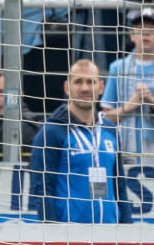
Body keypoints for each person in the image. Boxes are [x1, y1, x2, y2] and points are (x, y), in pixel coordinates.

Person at [29, 59, 132, 223]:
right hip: (70, 236)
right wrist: (51, 237)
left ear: (101, 87)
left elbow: (120, 186)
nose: (85, 88)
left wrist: (127, 227)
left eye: (91, 82)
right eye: (78, 82)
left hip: (110, 236)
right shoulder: (51, 132)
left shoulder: (110, 129)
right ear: (66, 87)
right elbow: (42, 190)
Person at [100, 6, 154, 164]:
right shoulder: (118, 67)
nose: (145, 33)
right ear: (131, 35)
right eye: (140, 29)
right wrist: (129, 106)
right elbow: (106, 118)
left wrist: (151, 101)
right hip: (125, 152)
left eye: (151, 29)